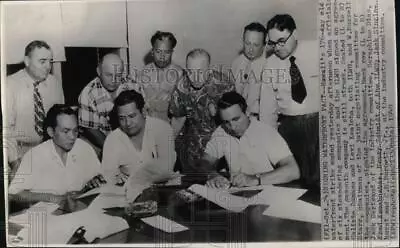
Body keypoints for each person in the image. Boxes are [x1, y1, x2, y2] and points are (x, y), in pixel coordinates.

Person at [260, 14, 320, 188]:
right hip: (290, 128)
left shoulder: (319, 50)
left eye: (281, 41)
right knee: (295, 184)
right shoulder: (270, 65)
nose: (277, 47)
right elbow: (267, 111)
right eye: (272, 43)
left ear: (295, 34)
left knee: (321, 182)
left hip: (319, 124)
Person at [8, 104, 104, 208]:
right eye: (66, 131)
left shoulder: (83, 148)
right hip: (48, 217)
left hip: (80, 212)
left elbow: (100, 178)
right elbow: (14, 194)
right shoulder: (35, 156)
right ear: (51, 132)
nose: (72, 137)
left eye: (75, 130)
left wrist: (94, 183)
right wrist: (53, 198)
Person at [203, 92, 300, 188]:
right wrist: (212, 175)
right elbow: (203, 163)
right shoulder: (221, 131)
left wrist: (255, 179)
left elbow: (293, 170)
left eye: (236, 119)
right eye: (226, 122)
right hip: (236, 194)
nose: (232, 127)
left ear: (247, 112)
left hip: (268, 191)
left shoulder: (265, 132)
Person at [169, 49, 234, 174]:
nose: (195, 78)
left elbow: (234, 121)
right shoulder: (181, 87)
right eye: (191, 72)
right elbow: (177, 120)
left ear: (209, 70)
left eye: (200, 72)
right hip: (193, 147)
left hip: (222, 146)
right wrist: (165, 148)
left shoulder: (224, 85)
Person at [5, 40, 65, 161]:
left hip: (51, 148)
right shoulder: (10, 85)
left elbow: (61, 119)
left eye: (50, 61)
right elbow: (7, 131)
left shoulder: (54, 83)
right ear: (27, 61)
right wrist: (14, 161)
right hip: (20, 152)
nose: (48, 67)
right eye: (42, 61)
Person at [101, 90, 177, 186]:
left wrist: (131, 177)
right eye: (122, 118)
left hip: (161, 189)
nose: (127, 123)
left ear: (144, 112)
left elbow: (166, 170)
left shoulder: (162, 129)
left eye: (132, 116)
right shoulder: (113, 139)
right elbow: (108, 175)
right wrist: (115, 178)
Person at [78, 53, 138, 155]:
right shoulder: (88, 93)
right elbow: (91, 130)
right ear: (99, 71)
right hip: (101, 140)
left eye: (118, 75)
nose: (114, 80)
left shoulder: (133, 86)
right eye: (109, 75)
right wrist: (114, 149)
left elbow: (143, 117)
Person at [140, 31, 183, 122]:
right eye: (158, 51)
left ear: (172, 52)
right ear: (152, 51)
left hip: (171, 124)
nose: (162, 56)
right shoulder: (144, 73)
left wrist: (172, 97)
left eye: (167, 52)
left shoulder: (180, 74)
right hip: (149, 123)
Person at [231, 22, 268, 122]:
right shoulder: (236, 63)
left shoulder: (269, 66)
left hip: (259, 119)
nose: (250, 49)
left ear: (264, 45)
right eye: (247, 43)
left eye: (256, 45)